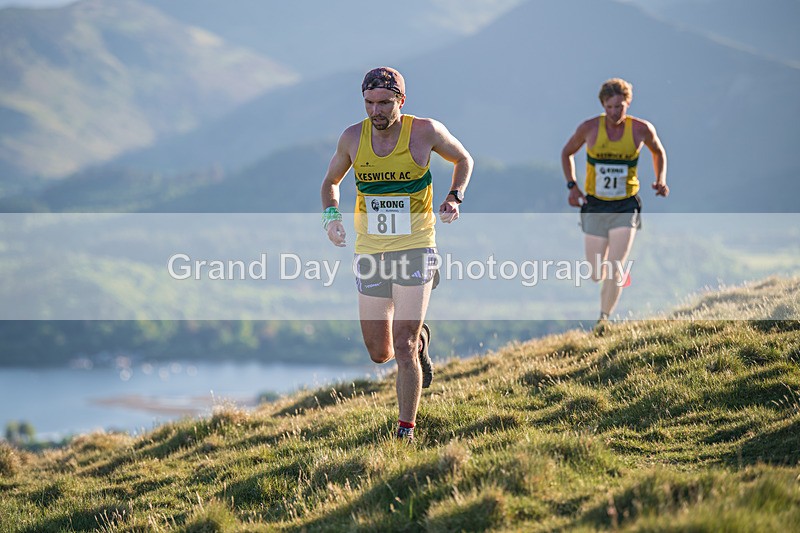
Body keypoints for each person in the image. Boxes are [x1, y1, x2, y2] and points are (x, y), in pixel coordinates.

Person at [320, 67, 473, 441]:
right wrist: (331, 218)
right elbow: (330, 183)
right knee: (379, 352)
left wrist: (455, 196)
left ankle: (405, 430)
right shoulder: (352, 138)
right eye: (370, 103)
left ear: (401, 101)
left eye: (385, 103)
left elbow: (464, 160)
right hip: (371, 252)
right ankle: (421, 341)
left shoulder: (425, 132)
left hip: (416, 247)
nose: (376, 111)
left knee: (401, 345)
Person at [561, 78, 668, 333]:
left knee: (615, 266)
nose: (614, 112)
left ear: (627, 103)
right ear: (602, 105)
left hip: (625, 205)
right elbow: (566, 153)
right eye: (609, 107)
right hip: (595, 204)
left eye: (619, 106)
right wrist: (572, 186)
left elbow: (658, 152)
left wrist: (660, 179)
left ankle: (603, 319)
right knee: (596, 271)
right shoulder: (589, 128)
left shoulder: (641, 129)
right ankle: (611, 281)